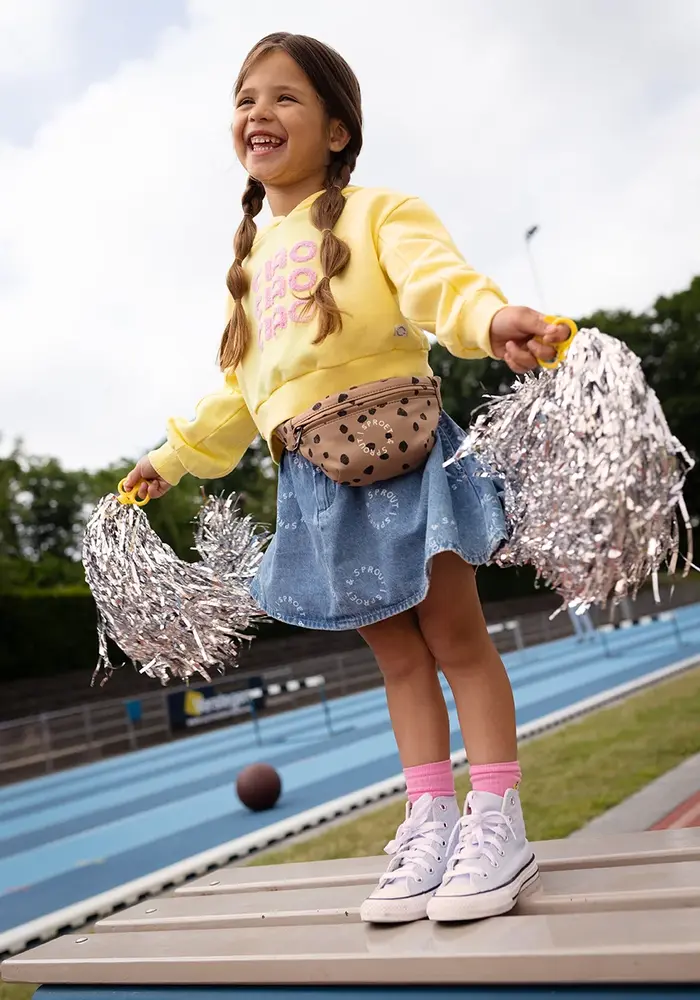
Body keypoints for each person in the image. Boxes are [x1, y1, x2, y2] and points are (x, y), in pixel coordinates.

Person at [123, 32, 569, 924]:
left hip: (401, 449)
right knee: (398, 657)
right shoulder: (247, 270)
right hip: (315, 482)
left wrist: (493, 320)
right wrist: (172, 457)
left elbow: (441, 286)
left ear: (336, 129)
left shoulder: (378, 212)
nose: (260, 113)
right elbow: (247, 392)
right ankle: (431, 815)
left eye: (285, 98)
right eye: (247, 99)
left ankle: (497, 816)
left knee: (455, 637)